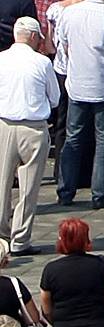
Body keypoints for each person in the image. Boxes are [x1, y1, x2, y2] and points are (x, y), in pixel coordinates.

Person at [53, 0, 104, 210]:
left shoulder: (69, 13)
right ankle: (100, 193)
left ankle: (66, 190)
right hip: (103, 83)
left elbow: (64, 45)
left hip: (78, 82)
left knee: (73, 137)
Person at [0, 21, 58, 256]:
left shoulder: (1, 58)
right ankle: (20, 240)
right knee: (28, 188)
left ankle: (1, 236)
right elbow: (54, 98)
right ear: (33, 36)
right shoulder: (42, 62)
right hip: (33, 127)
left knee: (1, 183)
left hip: (3, 124)